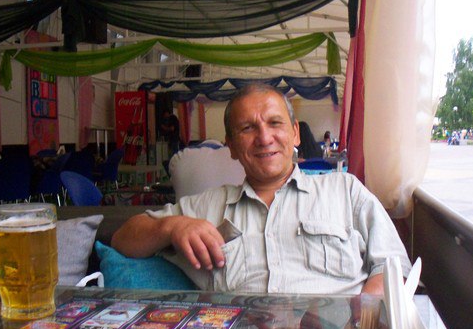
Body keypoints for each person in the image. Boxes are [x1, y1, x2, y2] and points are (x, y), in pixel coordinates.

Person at [112, 83, 411, 296]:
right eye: (247, 128)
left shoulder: (345, 191)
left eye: (275, 123)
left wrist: (360, 323)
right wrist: (172, 227)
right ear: (231, 146)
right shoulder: (204, 208)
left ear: (295, 133)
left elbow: (394, 266)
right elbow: (122, 239)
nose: (264, 138)